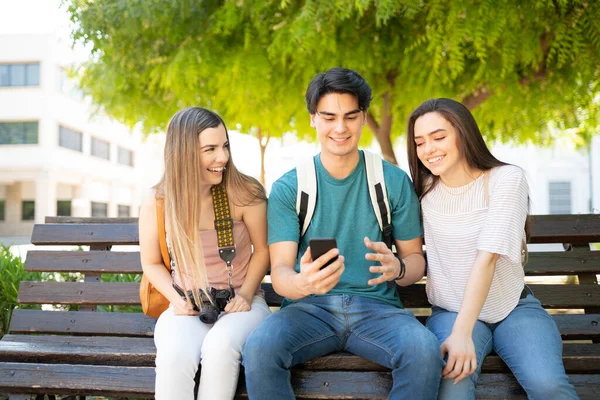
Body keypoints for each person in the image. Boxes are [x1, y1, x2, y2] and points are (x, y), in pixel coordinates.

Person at [243, 68, 443, 400]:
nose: (340, 128)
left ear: (363, 117)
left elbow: (415, 261)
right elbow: (279, 272)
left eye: (350, 117)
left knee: (423, 350)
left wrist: (400, 269)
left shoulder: (392, 182)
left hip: (378, 309)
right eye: (329, 117)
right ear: (313, 119)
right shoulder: (289, 187)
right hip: (308, 309)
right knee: (260, 348)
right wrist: (302, 282)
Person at [407, 98, 579, 399]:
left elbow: (486, 259)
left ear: (463, 133)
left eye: (439, 137)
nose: (428, 149)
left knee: (548, 386)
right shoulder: (423, 193)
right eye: (420, 142)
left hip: (513, 310)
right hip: (450, 311)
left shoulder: (506, 179)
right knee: (451, 386)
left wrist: (462, 334)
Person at [139, 107, 271, 400]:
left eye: (224, 146)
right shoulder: (159, 201)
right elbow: (151, 263)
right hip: (188, 305)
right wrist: (177, 301)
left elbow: (263, 251)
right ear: (183, 152)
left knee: (220, 347)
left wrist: (245, 295)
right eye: (210, 149)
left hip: (242, 303)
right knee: (174, 355)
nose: (222, 157)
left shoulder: (244, 193)